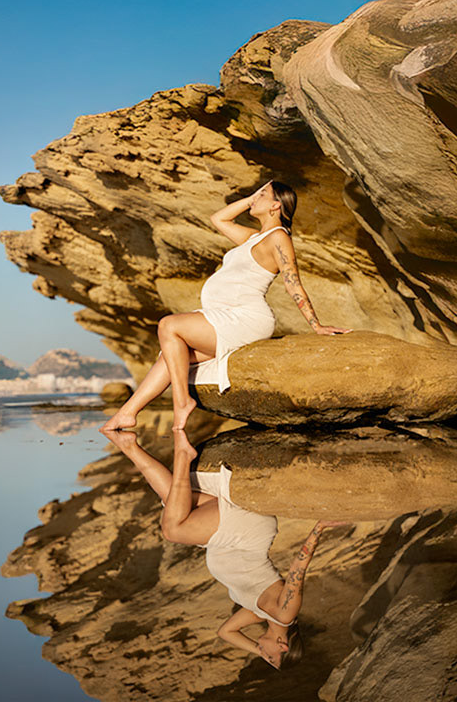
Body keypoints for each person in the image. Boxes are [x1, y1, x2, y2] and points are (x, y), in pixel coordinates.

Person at [100, 180, 351, 432]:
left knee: (169, 325)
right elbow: (218, 219)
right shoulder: (254, 237)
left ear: (276, 205)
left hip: (244, 318)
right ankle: (127, 413)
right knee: (171, 355)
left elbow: (292, 282)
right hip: (223, 315)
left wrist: (315, 325)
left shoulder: (278, 237)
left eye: (262, 194)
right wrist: (251, 198)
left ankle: (181, 401)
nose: (255, 198)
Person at [100, 427, 349, 670]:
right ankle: (182, 455)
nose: (265, 658)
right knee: (172, 530)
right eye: (271, 659)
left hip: (225, 538)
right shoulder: (284, 614)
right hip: (247, 535)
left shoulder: (258, 614)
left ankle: (127, 444)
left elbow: (226, 632)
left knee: (172, 498)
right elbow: (298, 570)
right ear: (283, 647)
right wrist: (319, 528)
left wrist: (257, 648)